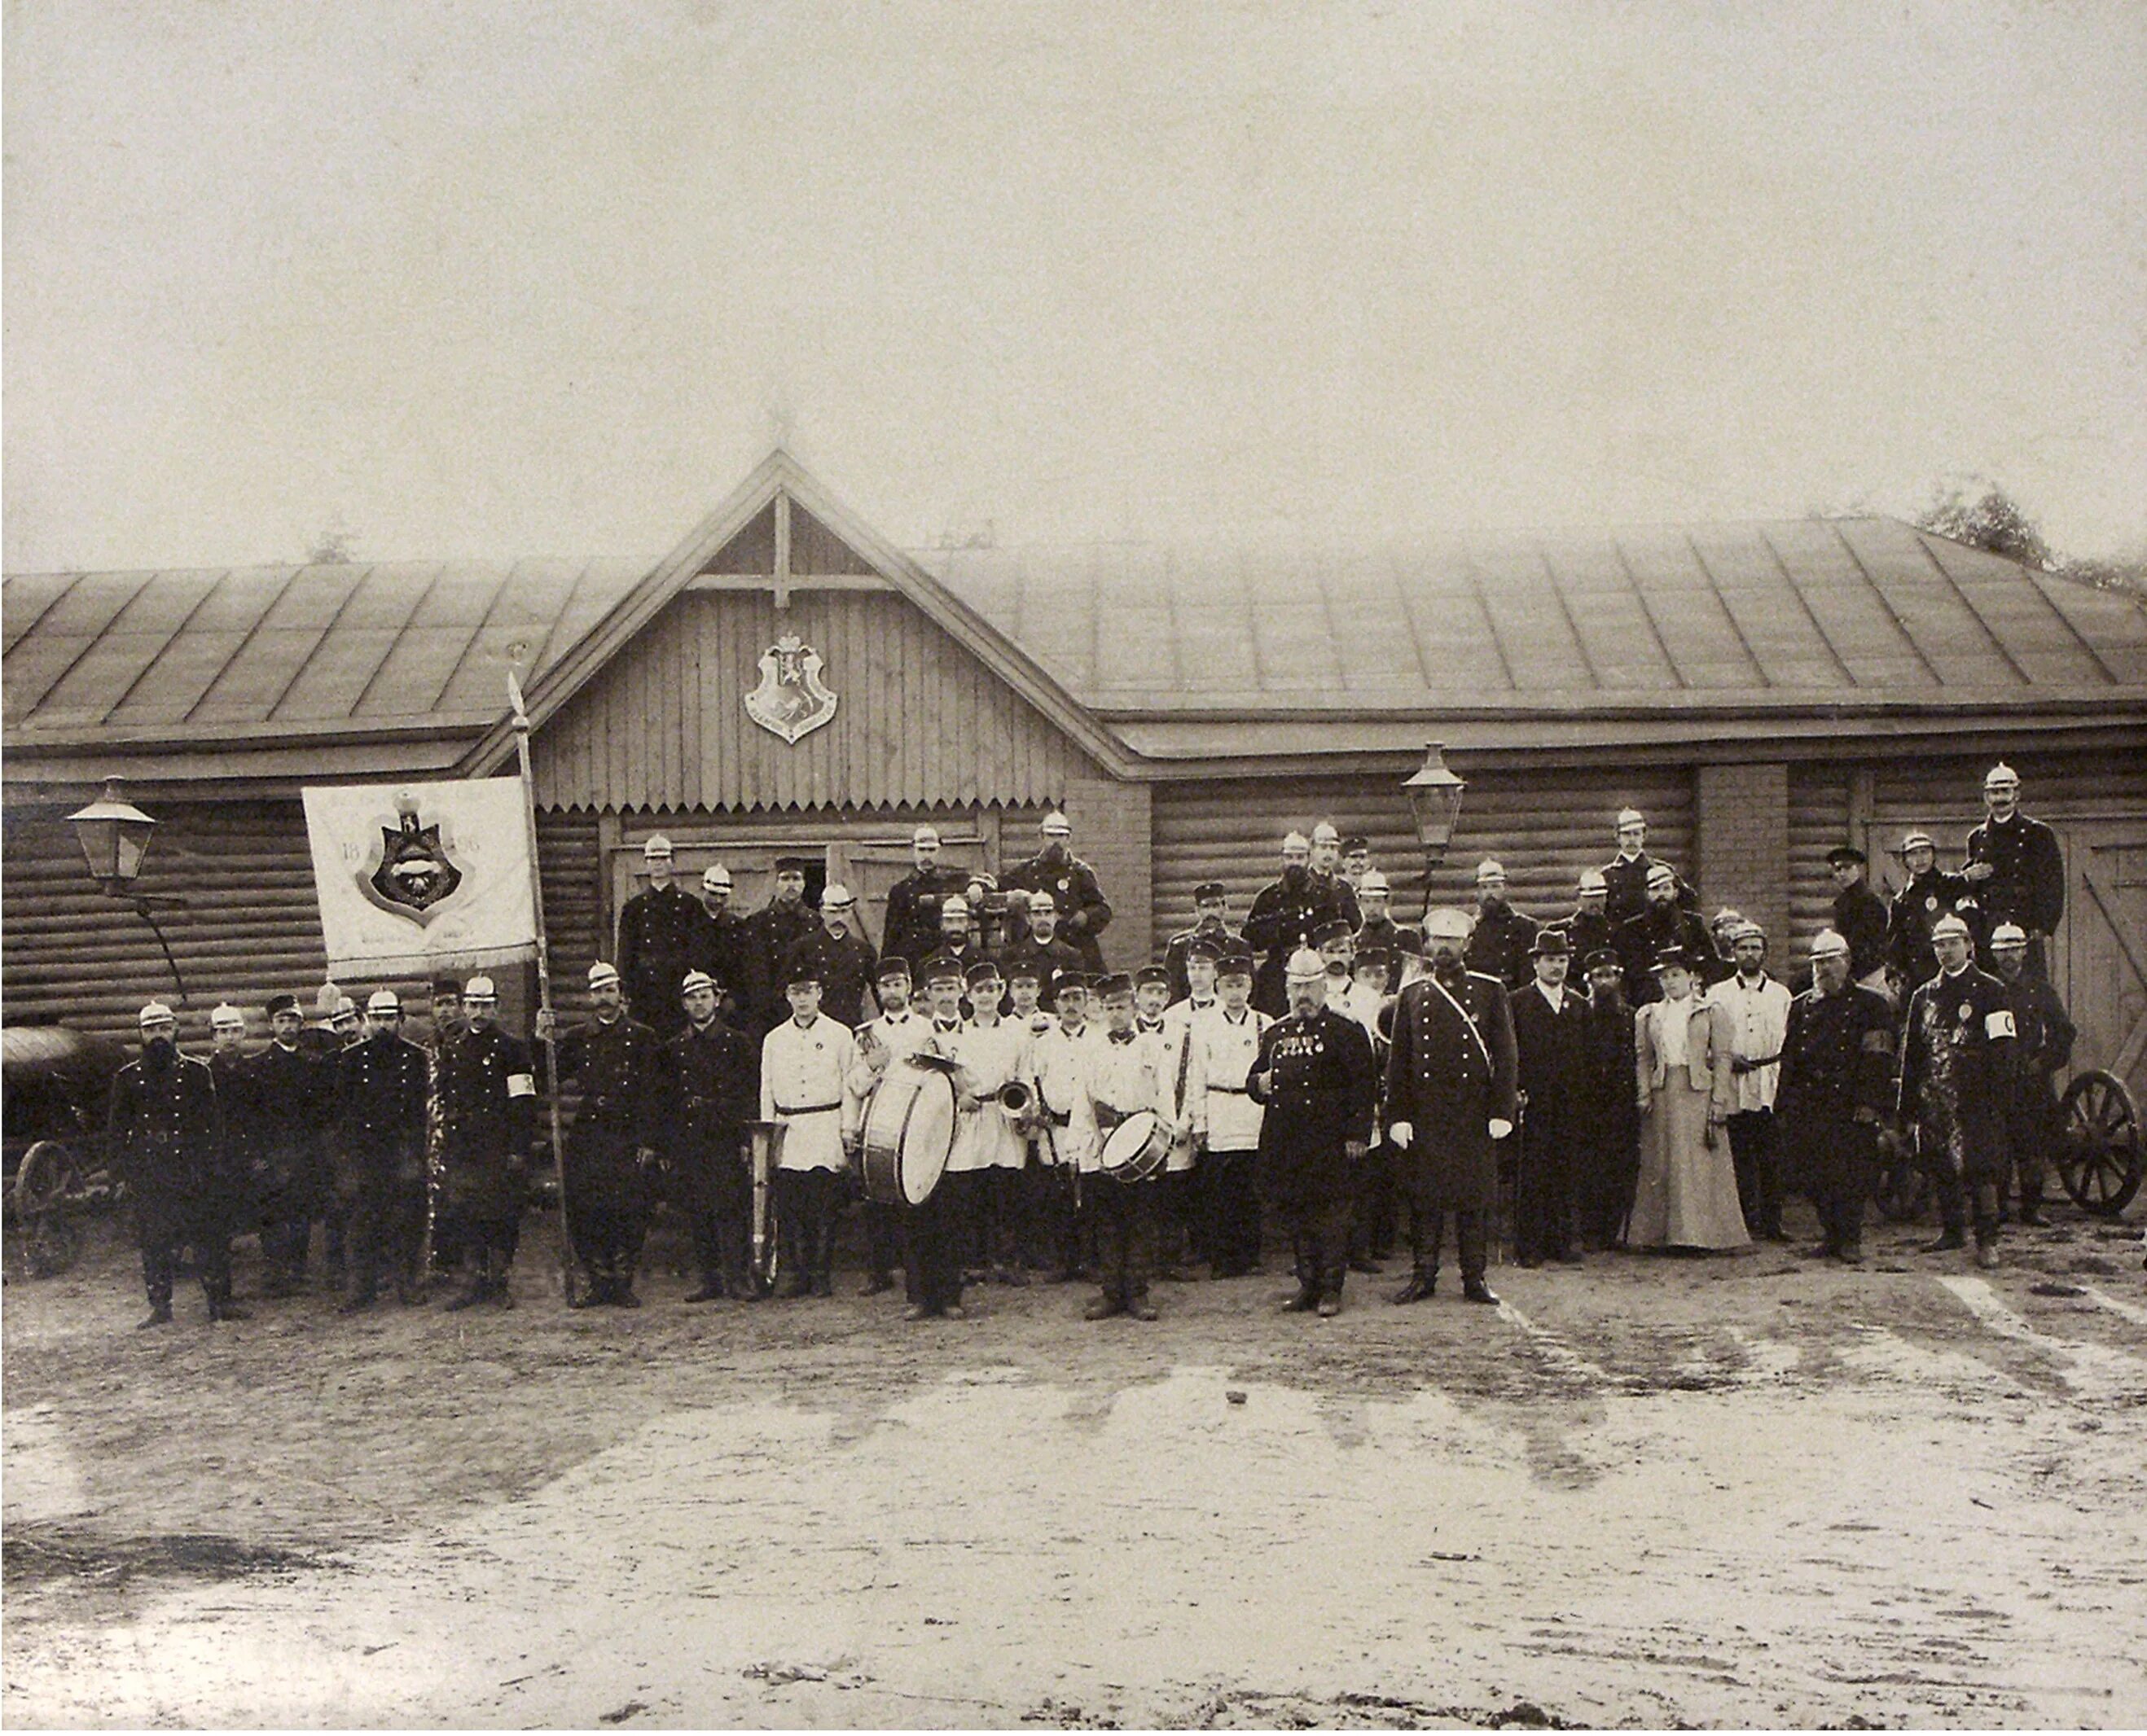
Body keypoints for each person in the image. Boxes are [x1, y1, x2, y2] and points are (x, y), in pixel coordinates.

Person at [1384, 908, 1519, 1305]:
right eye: (1437, 941)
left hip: (1473, 1113)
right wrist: (1398, 1115)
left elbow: (1506, 1056)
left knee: (1472, 1200)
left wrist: (1501, 1111)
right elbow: (1400, 1063)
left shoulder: (1490, 990)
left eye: (1452, 941)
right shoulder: (1411, 994)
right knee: (1425, 1199)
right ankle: (1423, 1275)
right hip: (1426, 1114)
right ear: (1426, 945)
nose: (1444, 948)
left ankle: (1474, 1278)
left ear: (1466, 945)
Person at [1248, 949, 1378, 1317]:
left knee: (1331, 1220)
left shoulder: (1346, 1031)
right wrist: (1259, 1083)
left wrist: (1358, 1135)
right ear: (1287, 989)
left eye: (1310, 987)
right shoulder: (1276, 1032)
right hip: (1287, 1142)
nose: (1303, 995)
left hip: (1331, 1143)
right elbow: (1254, 1079)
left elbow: (1364, 1088)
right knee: (1297, 1217)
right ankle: (1308, 1286)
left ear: (1324, 988)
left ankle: (1331, 1290)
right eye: (1296, 988)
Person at [545, 962, 666, 1307]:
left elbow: (653, 1092)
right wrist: (543, 1040)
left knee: (629, 1207)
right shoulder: (578, 1038)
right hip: (591, 1132)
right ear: (589, 997)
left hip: (628, 1130)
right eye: (597, 992)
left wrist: (648, 1141)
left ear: (621, 994)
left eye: (609, 991)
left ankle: (623, 1282)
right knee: (587, 1206)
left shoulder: (643, 1037)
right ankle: (598, 1281)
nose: (603, 998)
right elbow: (548, 1074)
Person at [108, 1002, 236, 1327]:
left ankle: (219, 1303)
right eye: (151, 1030)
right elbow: (117, 1131)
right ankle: (160, 1307)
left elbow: (213, 1124)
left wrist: (213, 1166)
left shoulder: (197, 1072)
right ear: (141, 1035)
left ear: (176, 1029)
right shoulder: (128, 1079)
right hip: (152, 1170)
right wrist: (123, 1173)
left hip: (192, 1166)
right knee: (154, 1241)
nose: (158, 1037)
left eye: (164, 1028)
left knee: (208, 1236)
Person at [1899, 914, 2017, 1267]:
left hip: (1975, 1096)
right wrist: (1907, 1108)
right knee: (1941, 1167)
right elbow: (1913, 1055)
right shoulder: (1924, 995)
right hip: (1935, 1097)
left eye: (1952, 943)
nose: (1945, 951)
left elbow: (2004, 1049)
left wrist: (1999, 1098)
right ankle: (1952, 1231)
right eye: (1939, 945)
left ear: (1968, 945)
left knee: (1981, 1170)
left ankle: (1987, 1240)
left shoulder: (1992, 990)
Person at [1775, 930, 1895, 1264]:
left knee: (1851, 1175)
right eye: (1817, 962)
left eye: (1829, 961)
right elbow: (1790, 1059)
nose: (1822, 969)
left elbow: (1878, 1058)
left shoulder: (1872, 1005)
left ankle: (1850, 1238)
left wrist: (1870, 1103)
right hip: (1810, 1103)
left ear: (1847, 962)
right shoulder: (1801, 1007)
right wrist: (1783, 1103)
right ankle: (1830, 1234)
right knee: (1813, 1175)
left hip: (1850, 1102)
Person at [1628, 949, 1747, 1252]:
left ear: (1692, 978)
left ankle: (1701, 1236)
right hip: (1663, 1091)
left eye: (1675, 975)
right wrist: (1644, 1093)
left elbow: (1722, 1058)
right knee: (1663, 1161)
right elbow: (1643, 1057)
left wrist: (1718, 1102)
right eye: (1664, 977)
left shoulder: (1710, 1011)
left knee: (1698, 1162)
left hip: (1698, 1091)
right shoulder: (1649, 1014)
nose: (1670, 982)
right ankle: (1660, 1235)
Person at [433, 977, 534, 1310]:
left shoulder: (513, 1049)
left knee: (502, 1214)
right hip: (465, 1146)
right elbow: (447, 1099)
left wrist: (519, 1148)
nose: (478, 1013)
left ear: (497, 1008)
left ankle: (499, 1281)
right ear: (464, 1007)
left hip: (500, 1144)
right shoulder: (454, 1049)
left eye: (485, 1006)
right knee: (467, 1213)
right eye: (472, 1005)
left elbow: (523, 1102)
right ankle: (474, 1280)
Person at [760, 962, 858, 1298]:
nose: (802, 999)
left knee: (824, 1205)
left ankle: (821, 1273)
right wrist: (769, 1135)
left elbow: (849, 1086)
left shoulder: (840, 1035)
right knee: (790, 1206)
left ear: (820, 994)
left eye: (808, 991)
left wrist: (848, 1129)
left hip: (825, 1124)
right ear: (788, 997)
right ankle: (795, 1272)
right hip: (789, 1128)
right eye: (795, 992)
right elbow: (767, 1089)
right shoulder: (774, 1039)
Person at [331, 990, 431, 1313]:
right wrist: (347, 1158)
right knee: (362, 1222)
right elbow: (340, 1112)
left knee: (406, 1220)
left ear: (400, 1020)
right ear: (367, 1021)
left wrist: (416, 1152)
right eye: (377, 1019)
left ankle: (407, 1284)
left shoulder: (417, 1058)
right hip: (366, 1151)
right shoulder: (351, 1059)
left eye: (389, 1018)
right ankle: (361, 1288)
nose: (383, 1026)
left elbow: (423, 1110)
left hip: (402, 1149)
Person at [664, 968, 759, 1302]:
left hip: (726, 1135)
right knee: (698, 1210)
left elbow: (750, 1093)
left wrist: (746, 1139)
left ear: (717, 1000)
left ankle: (738, 1277)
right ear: (684, 1005)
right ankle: (709, 1279)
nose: (699, 1003)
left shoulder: (737, 1043)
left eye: (705, 996)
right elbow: (668, 1099)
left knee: (731, 1209)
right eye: (692, 998)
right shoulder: (675, 1048)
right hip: (691, 1138)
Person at [1083, 974, 1168, 1321]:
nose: (1116, 1014)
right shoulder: (1092, 1047)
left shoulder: (1151, 1047)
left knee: (1139, 1221)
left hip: (1139, 1141)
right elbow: (1084, 1099)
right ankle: (1111, 1293)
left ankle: (1138, 1292)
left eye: (1122, 1007)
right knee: (1107, 1222)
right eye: (1109, 1008)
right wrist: (1087, 1146)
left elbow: (1164, 1093)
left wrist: (1164, 1138)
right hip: (1104, 1140)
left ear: (1134, 1007)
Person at [847, 954, 932, 1294]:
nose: (892, 991)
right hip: (878, 1124)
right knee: (877, 1199)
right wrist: (871, 1067)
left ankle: (916, 1272)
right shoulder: (868, 1034)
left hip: (915, 1122)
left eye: (898, 983)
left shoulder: (926, 1029)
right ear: (877, 992)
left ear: (909, 987)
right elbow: (854, 1085)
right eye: (885, 985)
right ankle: (878, 1272)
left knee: (915, 1199)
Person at [1508, 929, 1590, 1266]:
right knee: (1533, 1171)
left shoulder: (1579, 1004)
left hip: (1569, 1100)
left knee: (1566, 1168)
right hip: (1533, 1099)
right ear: (1535, 963)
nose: (1557, 967)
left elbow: (1587, 1054)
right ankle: (1530, 1246)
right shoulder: (1518, 1002)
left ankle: (1562, 1241)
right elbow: (1510, 1053)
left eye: (1562, 960)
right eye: (1550, 960)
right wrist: (1513, 1090)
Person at [1710, 921, 1794, 1243]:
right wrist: (1729, 1057)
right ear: (1733, 954)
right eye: (1743, 948)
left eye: (1755, 948)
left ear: (1765, 953)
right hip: (1733, 1081)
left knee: (1771, 1156)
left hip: (1767, 1080)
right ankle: (1745, 1220)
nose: (1749, 954)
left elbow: (1789, 1040)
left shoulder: (1780, 995)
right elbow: (1710, 1037)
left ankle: (1773, 1222)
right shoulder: (1718, 995)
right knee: (1739, 1155)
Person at [1188, 950, 1271, 1278]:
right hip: (1219, 1108)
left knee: (1251, 1190)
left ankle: (1249, 1257)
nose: (1235, 993)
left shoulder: (1266, 1023)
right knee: (1220, 1192)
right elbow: (1196, 1076)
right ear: (1218, 988)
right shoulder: (1203, 1026)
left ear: (1250, 986)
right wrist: (1200, 1122)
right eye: (1228, 986)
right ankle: (1222, 1259)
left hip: (1253, 1111)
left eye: (1241, 985)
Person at [1988, 922, 2074, 1227]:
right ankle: (1996, 1208)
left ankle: (2031, 1207)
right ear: (1993, 954)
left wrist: (2043, 1061)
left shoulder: (2040, 989)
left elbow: (2064, 1032)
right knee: (1997, 1147)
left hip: (2031, 1079)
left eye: (2013, 950)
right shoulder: (1986, 988)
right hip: (1996, 1079)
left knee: (2033, 1147)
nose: (2008, 957)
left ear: (2024, 952)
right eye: (2001, 951)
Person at [949, 958, 1029, 1285]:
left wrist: (1024, 1109)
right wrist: (960, 1096)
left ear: (1001, 993)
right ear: (967, 996)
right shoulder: (957, 1035)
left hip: (1005, 1116)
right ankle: (974, 1262)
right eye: (978, 991)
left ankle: (1006, 1261)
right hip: (973, 1118)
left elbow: (1025, 1073)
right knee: (972, 1191)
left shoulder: (1017, 1032)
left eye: (991, 990)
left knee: (1005, 1190)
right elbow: (947, 1075)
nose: (985, 996)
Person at [253, 992, 330, 1295]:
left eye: (292, 1020)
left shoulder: (313, 1064)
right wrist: (259, 1154)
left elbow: (322, 1109)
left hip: (304, 1149)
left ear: (301, 1024)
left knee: (302, 1211)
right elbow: (254, 1115)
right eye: (281, 1021)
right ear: (272, 1025)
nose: (287, 1026)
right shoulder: (259, 1065)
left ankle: (298, 1269)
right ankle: (275, 1270)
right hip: (273, 1151)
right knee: (272, 1213)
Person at [1026, 971, 1098, 1284]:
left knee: (1092, 1194)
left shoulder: (1099, 1037)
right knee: (1058, 1197)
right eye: (1065, 998)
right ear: (1055, 1004)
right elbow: (1030, 1081)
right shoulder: (1042, 1043)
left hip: (1089, 1129)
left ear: (1086, 1001)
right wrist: (1035, 1112)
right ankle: (1064, 1261)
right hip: (1054, 1129)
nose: (1071, 1004)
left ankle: (1092, 1260)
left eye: (1077, 997)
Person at [1964, 763, 2065, 982]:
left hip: (2024, 928)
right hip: (1988, 931)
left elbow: (2054, 884)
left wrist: (2042, 927)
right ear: (1986, 797)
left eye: (2005, 791)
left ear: (2016, 794)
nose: (2000, 799)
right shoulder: (1977, 838)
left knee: (2030, 993)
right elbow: (1969, 890)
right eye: (1994, 792)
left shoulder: (2038, 833)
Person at [1135, 964, 1202, 1280]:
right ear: (1137, 996)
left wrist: (1185, 1121)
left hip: (1174, 1129)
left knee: (1172, 1198)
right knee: (1139, 1198)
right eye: (1149, 991)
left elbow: (1191, 1081)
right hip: (1136, 1131)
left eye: (1160, 992)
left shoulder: (1182, 1035)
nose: (1154, 999)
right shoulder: (1126, 1035)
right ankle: (1141, 1261)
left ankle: (1170, 1261)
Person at [1245, 832, 1351, 1017]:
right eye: (1289, 857)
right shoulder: (1268, 897)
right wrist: (1278, 929)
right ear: (1282, 859)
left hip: (1315, 972)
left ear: (1309, 858)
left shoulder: (1324, 897)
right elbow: (1250, 939)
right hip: (1278, 973)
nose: (1294, 862)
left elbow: (1337, 939)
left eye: (1300, 857)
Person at [615, 835, 712, 1038]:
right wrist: (625, 989)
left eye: (663, 858)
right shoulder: (634, 908)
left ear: (672, 861)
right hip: (645, 993)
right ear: (646, 864)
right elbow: (625, 954)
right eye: (652, 859)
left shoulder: (689, 906)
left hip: (679, 992)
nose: (658, 863)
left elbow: (699, 952)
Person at [1578, 949, 1641, 1247]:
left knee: (1619, 1164)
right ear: (1588, 980)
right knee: (1589, 1166)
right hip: (1587, 1101)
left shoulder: (1631, 1016)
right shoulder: (1579, 1014)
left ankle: (1614, 1230)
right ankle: (1590, 1230)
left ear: (1619, 978)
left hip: (1621, 1102)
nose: (1605, 982)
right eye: (1599, 976)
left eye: (1610, 975)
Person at [1001, 811, 1113, 975]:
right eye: (1051, 836)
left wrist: (1085, 916)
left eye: (1061, 836)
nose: (1056, 842)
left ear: (1068, 839)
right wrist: (980, 886)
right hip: (1036, 949)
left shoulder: (1080, 873)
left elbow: (1104, 910)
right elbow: (997, 884)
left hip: (1074, 945)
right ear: (1042, 837)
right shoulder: (1027, 871)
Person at [1886, 831, 1980, 996]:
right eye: (1913, 854)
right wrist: (1893, 973)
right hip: (1917, 976)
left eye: (1924, 852)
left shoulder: (1953, 886)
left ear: (1933, 855)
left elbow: (1974, 925)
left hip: (1953, 970)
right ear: (1905, 861)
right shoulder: (1901, 901)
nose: (1920, 859)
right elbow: (1895, 943)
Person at [737, 857, 821, 1038]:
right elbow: (754, 972)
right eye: (785, 879)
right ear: (776, 884)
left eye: (796, 879)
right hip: (768, 1012)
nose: (791, 885)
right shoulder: (758, 922)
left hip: (806, 1008)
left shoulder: (816, 922)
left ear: (804, 884)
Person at [784, 883, 879, 1030]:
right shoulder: (802, 948)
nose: (839, 918)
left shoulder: (864, 951)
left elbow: (879, 992)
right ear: (822, 912)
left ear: (850, 913)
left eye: (844, 912)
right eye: (833, 913)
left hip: (850, 1027)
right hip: (813, 1029)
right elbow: (787, 992)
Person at [1617, 862, 1713, 1007]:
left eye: (1666, 888)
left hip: (1689, 1000)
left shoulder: (1693, 924)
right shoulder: (1632, 929)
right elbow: (1630, 974)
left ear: (1676, 892)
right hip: (1647, 1003)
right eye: (1655, 889)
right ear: (1647, 894)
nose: (1661, 894)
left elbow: (1709, 963)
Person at [884, 823, 972, 967]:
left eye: (931, 850)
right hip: (913, 956)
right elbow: (891, 936)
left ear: (939, 851)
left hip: (944, 955)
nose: (926, 856)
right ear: (913, 851)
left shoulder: (951, 885)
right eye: (922, 850)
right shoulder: (900, 891)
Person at [1600, 808, 1699, 928]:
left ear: (1644, 836)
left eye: (1636, 833)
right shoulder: (1607, 876)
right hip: (1621, 941)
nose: (1632, 839)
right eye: (1626, 834)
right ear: (1617, 837)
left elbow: (1688, 901)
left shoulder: (1661, 870)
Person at [998, 891, 1084, 1009]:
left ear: (1056, 917)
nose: (1043, 918)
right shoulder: (1012, 956)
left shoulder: (1071, 956)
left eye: (1048, 912)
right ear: (1028, 918)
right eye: (1037, 913)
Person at [1464, 859, 1539, 990]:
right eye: (1484, 887)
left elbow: (1529, 974)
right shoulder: (1470, 929)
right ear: (1478, 892)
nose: (1490, 893)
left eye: (1495, 886)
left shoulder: (1525, 927)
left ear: (1505, 888)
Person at [1163, 882, 1240, 1003]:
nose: (1211, 912)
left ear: (1224, 907)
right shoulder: (1180, 946)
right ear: (1197, 910)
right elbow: (1172, 988)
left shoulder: (1238, 946)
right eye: (1206, 907)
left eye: (1215, 906)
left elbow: (1249, 988)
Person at [692, 863, 750, 1018]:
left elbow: (743, 966)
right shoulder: (689, 924)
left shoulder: (737, 926)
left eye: (722, 896)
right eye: (713, 894)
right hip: (695, 998)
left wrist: (732, 995)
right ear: (703, 890)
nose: (718, 900)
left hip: (728, 1001)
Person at [1353, 870, 1419, 991]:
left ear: (1387, 902)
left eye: (1377, 901)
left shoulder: (1407, 938)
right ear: (1359, 903)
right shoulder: (1354, 943)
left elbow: (1416, 979)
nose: (1371, 908)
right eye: (1367, 901)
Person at [1550, 870, 1617, 983]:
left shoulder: (1616, 932)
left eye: (1599, 897)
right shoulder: (1561, 931)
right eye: (1589, 897)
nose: (1595, 902)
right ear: (1578, 898)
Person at [1306, 822, 1363, 931]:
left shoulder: (1344, 889)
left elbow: (1356, 927)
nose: (1328, 853)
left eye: (1333, 848)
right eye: (1323, 847)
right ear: (1312, 849)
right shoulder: (1303, 886)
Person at [1701, 909, 1745, 991]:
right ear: (1714, 936)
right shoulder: (1707, 970)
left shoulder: (1749, 967)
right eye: (1722, 928)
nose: (1728, 933)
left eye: (1732, 927)